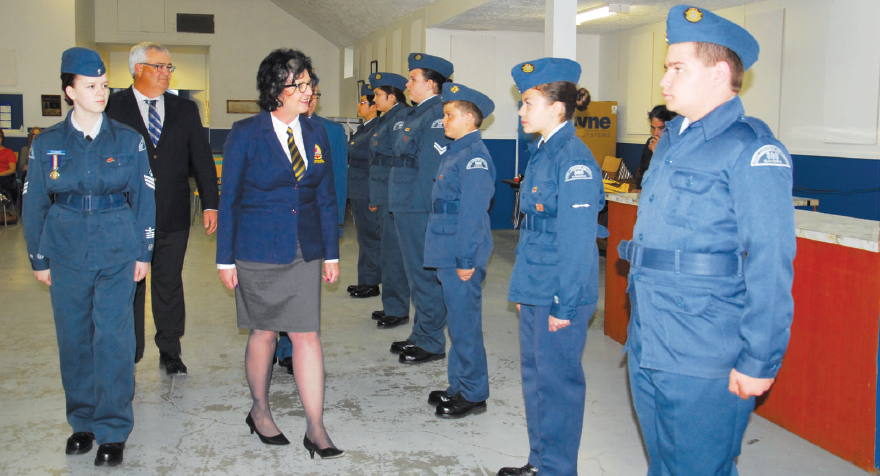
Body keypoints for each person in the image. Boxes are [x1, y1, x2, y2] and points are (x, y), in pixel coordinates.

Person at [618, 6, 796, 475]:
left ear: (719, 73)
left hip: (704, 350)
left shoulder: (751, 149)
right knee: (665, 465)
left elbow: (771, 262)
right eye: (665, 68)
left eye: (677, 68)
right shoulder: (673, 142)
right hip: (650, 340)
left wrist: (760, 358)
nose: (664, 81)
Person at [22, 47, 155, 467]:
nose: (101, 92)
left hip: (118, 246)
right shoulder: (48, 144)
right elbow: (34, 204)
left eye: (103, 85)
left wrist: (144, 251)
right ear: (70, 91)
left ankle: (114, 428)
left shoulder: (128, 140)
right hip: (65, 249)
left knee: (115, 340)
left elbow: (145, 199)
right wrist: (38, 258)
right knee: (74, 338)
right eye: (91, 86)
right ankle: (83, 422)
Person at [216, 48, 343, 459]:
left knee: (307, 334)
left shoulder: (316, 132)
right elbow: (229, 197)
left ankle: (316, 427)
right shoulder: (245, 133)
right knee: (264, 332)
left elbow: (326, 196)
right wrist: (224, 258)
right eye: (300, 84)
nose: (309, 91)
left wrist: (330, 252)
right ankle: (259, 410)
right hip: (257, 249)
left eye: (309, 83)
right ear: (277, 89)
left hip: (304, 248)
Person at [500, 58, 605, 476]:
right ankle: (541, 462)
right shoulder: (543, 152)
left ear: (557, 108)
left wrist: (564, 304)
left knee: (558, 385)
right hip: (537, 284)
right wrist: (525, 291)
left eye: (528, 102)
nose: (521, 111)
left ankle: (559, 470)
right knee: (537, 380)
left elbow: (580, 242)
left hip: (561, 290)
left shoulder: (574, 159)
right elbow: (534, 231)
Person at [106, 41, 219, 372]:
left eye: (169, 67)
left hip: (172, 212)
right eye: (160, 66)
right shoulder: (113, 107)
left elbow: (201, 158)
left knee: (169, 282)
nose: (167, 73)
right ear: (138, 69)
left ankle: (170, 348)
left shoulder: (184, 109)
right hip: (126, 215)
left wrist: (211, 203)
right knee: (131, 283)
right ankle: (131, 350)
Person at [425, 82, 495, 419]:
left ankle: (474, 392)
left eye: (450, 115)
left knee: (465, 323)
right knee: (457, 320)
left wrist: (467, 259)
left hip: (459, 251)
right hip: (446, 245)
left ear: (469, 118)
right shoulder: (456, 150)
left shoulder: (474, 157)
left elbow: (472, 212)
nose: (444, 121)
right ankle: (459, 384)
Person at [389, 53, 454, 364]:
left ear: (430, 84)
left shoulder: (437, 115)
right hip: (406, 203)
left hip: (418, 204)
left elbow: (431, 168)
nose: (407, 83)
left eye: (413, 79)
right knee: (415, 274)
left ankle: (431, 341)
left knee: (425, 275)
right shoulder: (418, 114)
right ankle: (421, 333)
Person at [367, 72, 412, 330]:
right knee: (387, 250)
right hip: (383, 189)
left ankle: (397, 308)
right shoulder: (387, 118)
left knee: (394, 252)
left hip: (391, 190)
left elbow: (396, 154)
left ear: (391, 96)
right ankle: (391, 303)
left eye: (378, 95)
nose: (374, 100)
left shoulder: (401, 117)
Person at [346, 83, 382, 298]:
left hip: (367, 189)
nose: (359, 106)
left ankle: (373, 282)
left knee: (371, 237)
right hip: (358, 188)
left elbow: (368, 156)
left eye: (363, 102)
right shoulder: (364, 127)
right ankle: (365, 280)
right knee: (364, 237)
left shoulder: (377, 128)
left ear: (373, 106)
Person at [634, 105, 677, 190]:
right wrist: (640, 190)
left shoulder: (678, 146)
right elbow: (643, 173)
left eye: (661, 128)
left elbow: (670, 178)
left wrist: (658, 153)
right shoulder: (651, 142)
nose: (655, 133)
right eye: (653, 128)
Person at [0, 128, 17, 204]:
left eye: (0, 136)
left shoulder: (8, 152)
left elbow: (12, 169)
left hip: (4, 177)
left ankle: (3, 200)